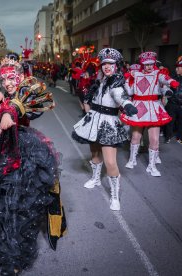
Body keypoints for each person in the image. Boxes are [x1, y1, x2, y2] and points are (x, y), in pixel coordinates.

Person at [0, 53, 66, 275]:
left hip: (21, 154)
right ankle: (0, 246)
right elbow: (2, 107)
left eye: (12, 78)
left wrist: (10, 111)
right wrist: (0, 97)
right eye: (4, 79)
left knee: (17, 207)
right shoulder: (6, 94)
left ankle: (14, 259)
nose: (8, 82)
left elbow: (23, 108)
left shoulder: (27, 95)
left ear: (20, 77)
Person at [72, 48, 138, 210]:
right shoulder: (100, 82)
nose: (107, 66)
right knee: (95, 154)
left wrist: (127, 105)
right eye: (104, 64)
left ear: (117, 66)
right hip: (94, 120)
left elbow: (120, 96)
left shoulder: (116, 84)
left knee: (110, 161)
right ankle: (95, 178)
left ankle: (115, 196)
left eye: (110, 63)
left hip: (108, 124)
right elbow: (91, 100)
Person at [120, 51, 179, 177]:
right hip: (139, 107)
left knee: (154, 139)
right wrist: (127, 80)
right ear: (142, 64)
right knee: (135, 137)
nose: (149, 67)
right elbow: (130, 91)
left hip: (153, 107)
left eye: (151, 64)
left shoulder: (158, 74)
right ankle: (132, 159)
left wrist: (172, 82)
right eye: (146, 64)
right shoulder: (136, 74)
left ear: (154, 64)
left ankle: (151, 166)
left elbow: (165, 79)